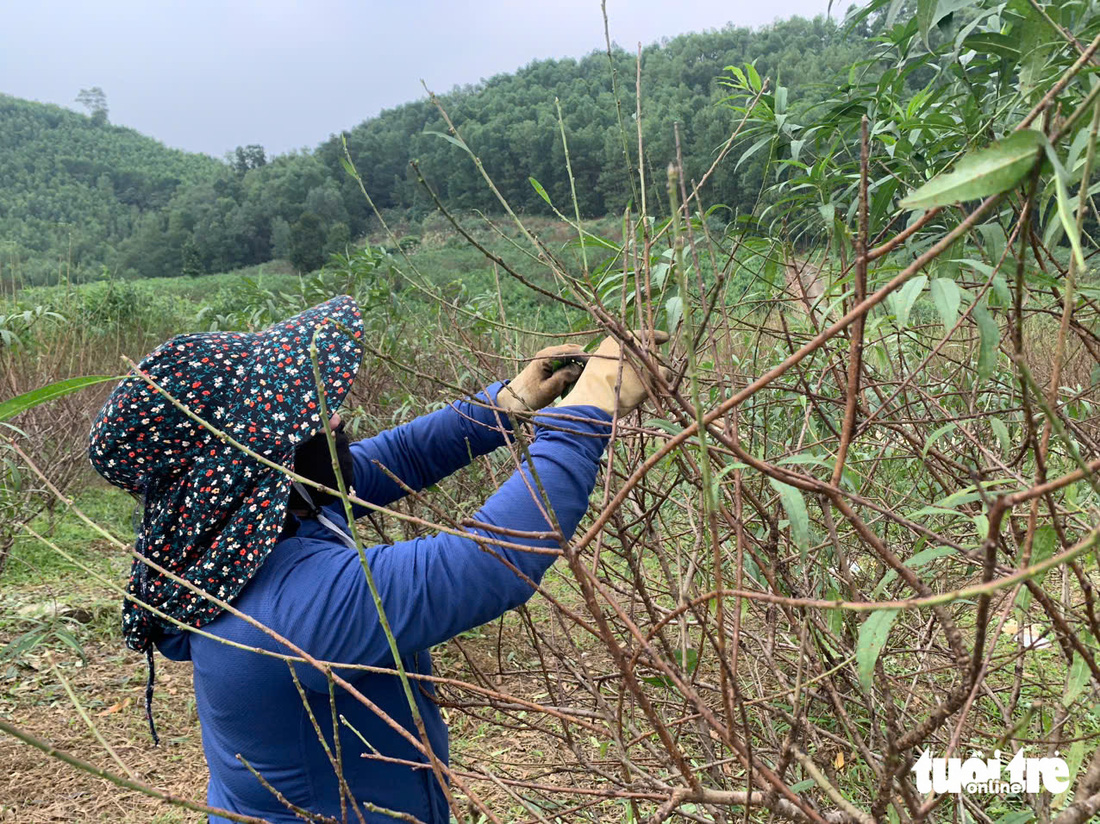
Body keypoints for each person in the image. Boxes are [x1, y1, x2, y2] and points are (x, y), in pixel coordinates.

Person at [89, 295, 668, 823]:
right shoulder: (289, 610)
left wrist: (510, 403)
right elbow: (492, 563)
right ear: (250, 457)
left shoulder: (228, 536)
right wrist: (591, 406)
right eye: (308, 412)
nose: (336, 419)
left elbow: (387, 460)